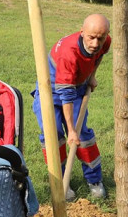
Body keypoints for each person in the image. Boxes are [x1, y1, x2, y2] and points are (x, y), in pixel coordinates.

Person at [32, 13, 111, 200]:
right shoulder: (69, 53)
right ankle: (60, 182)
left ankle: (94, 180)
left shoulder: (103, 41)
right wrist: (70, 130)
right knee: (53, 136)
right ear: (82, 32)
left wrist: (91, 75)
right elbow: (65, 96)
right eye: (91, 37)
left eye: (100, 38)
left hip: (77, 87)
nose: (95, 43)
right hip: (50, 92)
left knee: (83, 136)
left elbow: (98, 55)